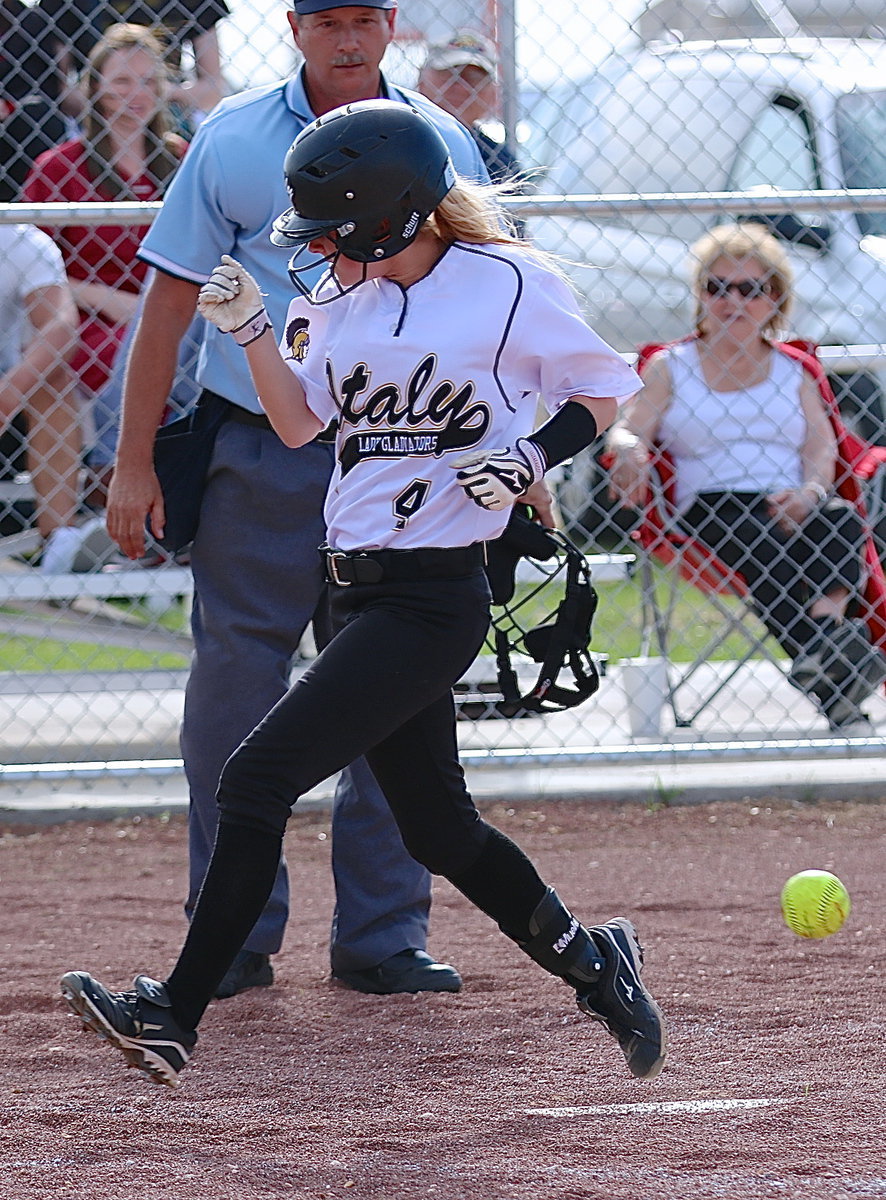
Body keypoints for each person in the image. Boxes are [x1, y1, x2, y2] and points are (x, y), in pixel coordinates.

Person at [59, 98, 666, 1090]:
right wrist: (256, 329)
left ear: (392, 214)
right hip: (351, 587)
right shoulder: (336, 297)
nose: (319, 252)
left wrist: (524, 457)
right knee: (438, 828)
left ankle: (171, 1014)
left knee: (255, 783)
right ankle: (594, 964)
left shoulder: (507, 281)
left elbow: (604, 386)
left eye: (336, 231)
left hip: (430, 600)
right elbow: (299, 425)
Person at [104, 0, 491, 1001]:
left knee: (395, 687)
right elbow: (172, 299)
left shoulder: (441, 141)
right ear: (294, 25)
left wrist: (503, 453)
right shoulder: (232, 138)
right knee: (236, 678)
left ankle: (381, 936)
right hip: (259, 449)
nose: (347, 37)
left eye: (364, 17)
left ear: (392, 24)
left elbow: (489, 301)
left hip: (399, 451)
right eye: (327, 20)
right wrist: (134, 459)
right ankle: (231, 932)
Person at [606, 222, 886, 733]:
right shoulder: (673, 366)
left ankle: (821, 647)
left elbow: (822, 446)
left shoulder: (795, 368)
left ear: (775, 298)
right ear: (700, 295)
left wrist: (810, 492)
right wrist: (626, 449)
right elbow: (631, 426)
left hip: (790, 499)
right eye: (717, 287)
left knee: (840, 519)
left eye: (750, 288)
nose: (732, 300)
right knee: (757, 536)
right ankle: (833, 657)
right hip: (712, 508)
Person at [23, 23, 186, 551]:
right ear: (93, 87)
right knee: (113, 351)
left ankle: (173, 521)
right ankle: (104, 501)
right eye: (119, 82)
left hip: (170, 309)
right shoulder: (59, 167)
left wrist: (151, 306)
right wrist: (108, 299)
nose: (134, 95)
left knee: (192, 357)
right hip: (86, 316)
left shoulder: (180, 160)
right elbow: (29, 264)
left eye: (145, 81)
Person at [0, 224, 85, 571]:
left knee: (53, 380)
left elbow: (61, 326)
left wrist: (8, 395)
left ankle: (59, 546)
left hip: (7, 390)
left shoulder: (19, 238)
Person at [38, 0, 230, 137]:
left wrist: (155, 92)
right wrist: (111, 97)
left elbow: (212, 89)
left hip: (166, 115)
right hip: (95, 118)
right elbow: (64, 94)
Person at [417, 28, 523, 188]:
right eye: (449, 75)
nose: (461, 88)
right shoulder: (400, 139)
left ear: (493, 93)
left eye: (474, 79)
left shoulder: (500, 161)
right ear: (422, 82)